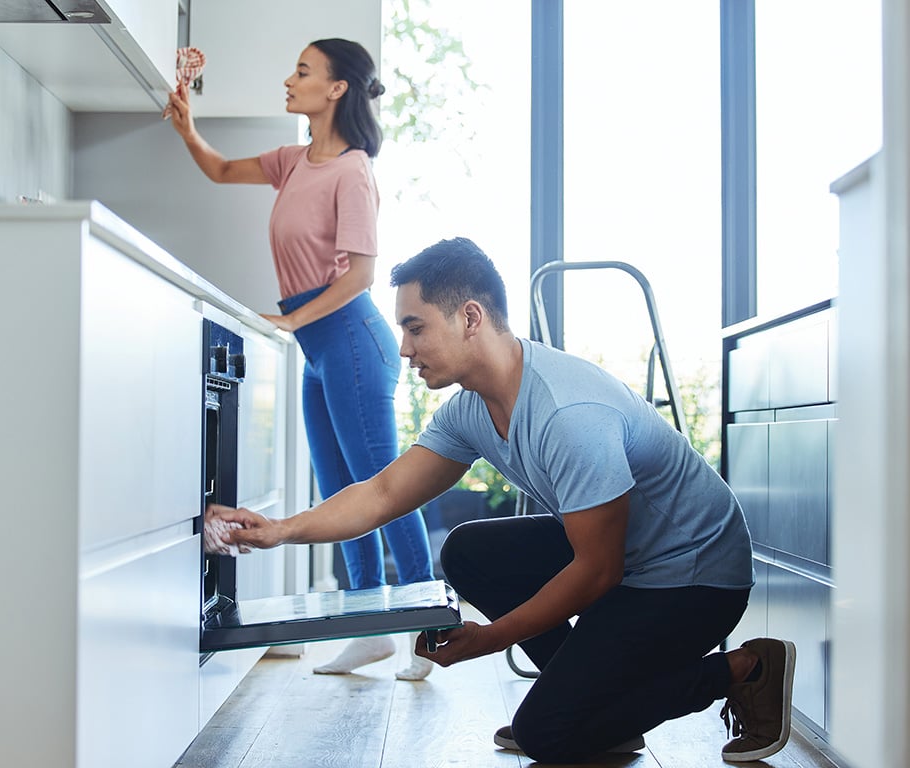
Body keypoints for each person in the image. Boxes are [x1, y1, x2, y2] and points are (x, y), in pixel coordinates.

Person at [205, 236, 798, 764]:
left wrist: (491, 639)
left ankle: (745, 669)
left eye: (414, 327)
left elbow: (597, 571)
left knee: (545, 735)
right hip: (634, 562)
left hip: (694, 577)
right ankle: (599, 708)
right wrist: (277, 530)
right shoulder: (471, 409)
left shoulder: (568, 414)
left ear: (469, 317)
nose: (405, 350)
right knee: (470, 552)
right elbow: (384, 493)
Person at [167, 38, 435, 680]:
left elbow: (362, 275)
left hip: (349, 340)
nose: (290, 80)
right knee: (344, 492)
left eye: (303, 71)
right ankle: (369, 625)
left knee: (386, 490)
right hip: (319, 349)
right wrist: (187, 127)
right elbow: (220, 170)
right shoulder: (294, 161)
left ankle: (426, 627)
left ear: (337, 88)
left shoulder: (353, 170)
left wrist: (288, 317)